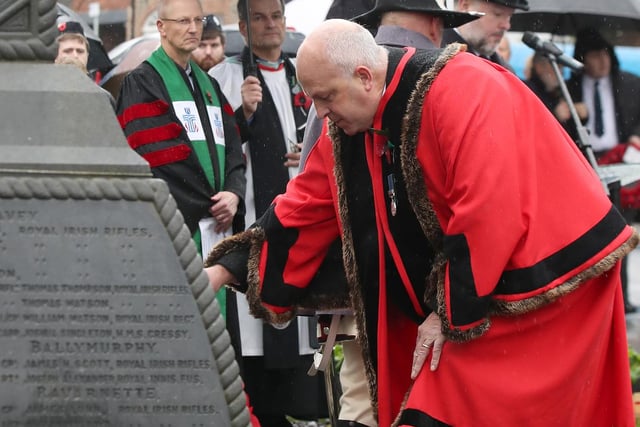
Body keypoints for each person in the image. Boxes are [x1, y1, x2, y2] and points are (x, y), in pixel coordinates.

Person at [205, 19, 639, 427]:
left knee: (456, 401)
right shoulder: (355, 115)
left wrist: (444, 315)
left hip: (551, 278)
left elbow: (488, 210)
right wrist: (224, 269)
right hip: (479, 276)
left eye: (325, 98)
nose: (320, 114)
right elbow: (306, 202)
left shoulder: (464, 89)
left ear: (363, 76)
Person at [299, 1, 478, 426]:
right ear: (436, 25)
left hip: (383, 284)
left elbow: (310, 190)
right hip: (419, 285)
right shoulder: (435, 76)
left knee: (368, 398)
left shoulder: (346, 72)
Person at [209, 0, 327, 425]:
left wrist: (304, 152)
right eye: (258, 17)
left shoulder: (303, 73)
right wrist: (244, 115)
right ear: (243, 25)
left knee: (297, 332)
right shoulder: (223, 77)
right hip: (252, 216)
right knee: (253, 336)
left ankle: (301, 406)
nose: (269, 25)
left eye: (275, 16)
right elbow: (215, 146)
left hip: (300, 216)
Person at [115, 0, 246, 320]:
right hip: (176, 227)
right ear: (161, 27)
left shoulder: (210, 86)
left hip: (218, 226)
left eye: (198, 21)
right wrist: (209, 203)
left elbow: (233, 148)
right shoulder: (143, 83)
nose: (193, 29)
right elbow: (157, 158)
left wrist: (233, 193)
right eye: (183, 21)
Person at [567, 27, 640, 314]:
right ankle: (588, 299)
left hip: (620, 161)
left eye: (605, 54)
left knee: (620, 230)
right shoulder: (569, 86)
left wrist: (636, 135)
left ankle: (621, 297)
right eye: (594, 56)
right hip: (584, 163)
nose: (601, 62)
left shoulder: (630, 84)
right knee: (587, 233)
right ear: (581, 59)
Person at [441, 0, 529, 70]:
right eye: (497, 14)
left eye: (509, 16)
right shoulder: (438, 61)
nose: (506, 25)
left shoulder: (505, 69)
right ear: (465, 6)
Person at [524, 51, 588, 138]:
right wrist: (554, 116)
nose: (560, 72)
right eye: (554, 66)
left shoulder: (562, 91)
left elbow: (572, 131)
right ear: (539, 67)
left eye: (561, 68)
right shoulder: (527, 90)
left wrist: (580, 115)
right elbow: (528, 125)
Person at [55, 21, 116, 110]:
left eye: (80, 51)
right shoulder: (42, 94)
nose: (75, 56)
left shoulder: (103, 98)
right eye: (68, 51)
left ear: (87, 55)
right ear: (55, 55)